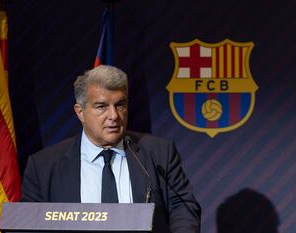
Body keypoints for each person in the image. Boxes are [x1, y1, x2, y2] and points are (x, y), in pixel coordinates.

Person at [21, 65, 201, 233]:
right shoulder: (43, 166)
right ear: (80, 112)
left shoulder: (159, 152)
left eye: (120, 105)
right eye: (101, 106)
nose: (114, 116)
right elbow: (28, 225)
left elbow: (183, 207)